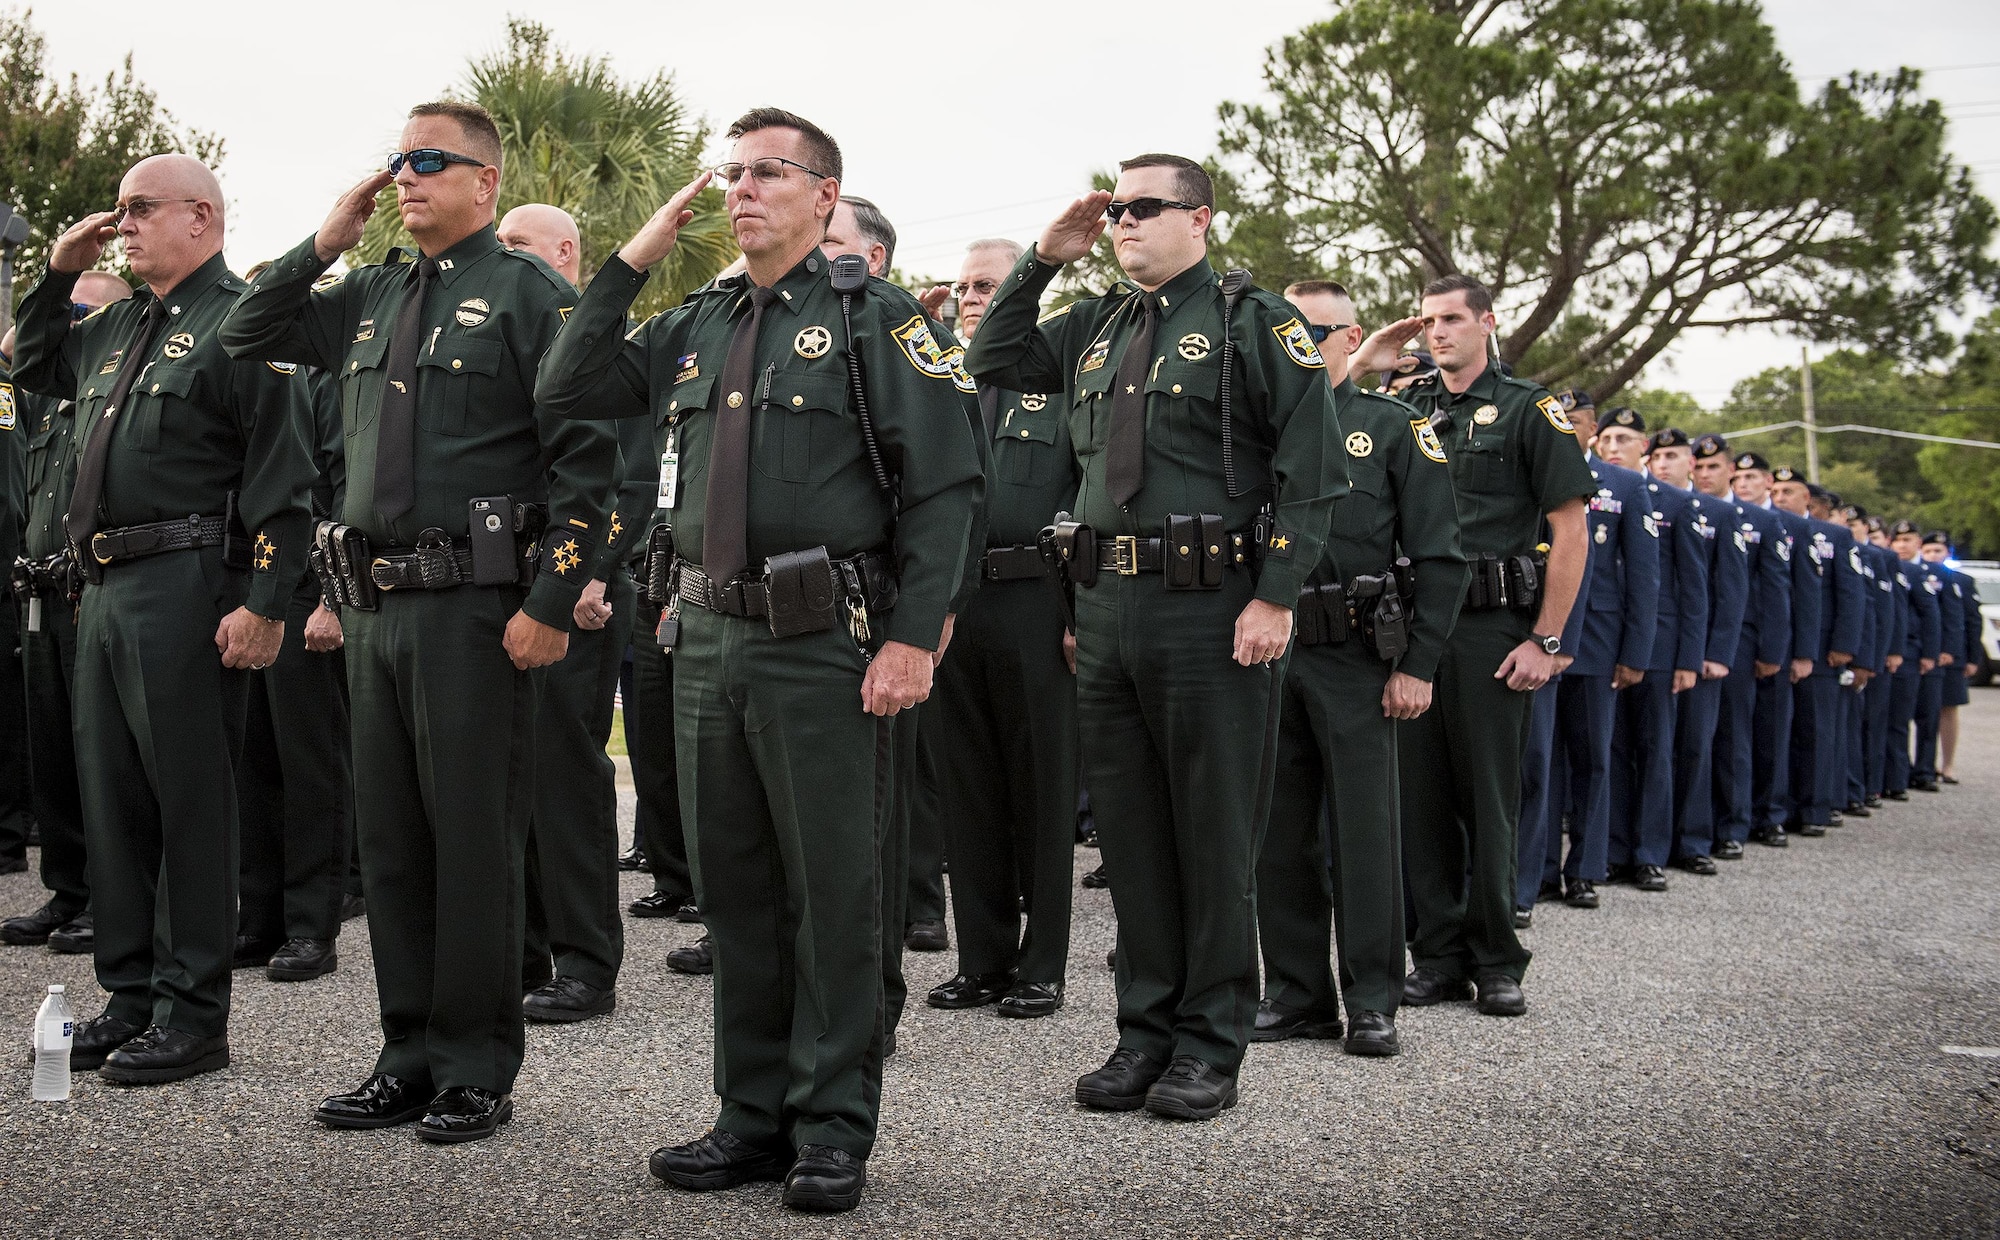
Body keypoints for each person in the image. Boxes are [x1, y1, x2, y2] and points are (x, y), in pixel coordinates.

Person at [536, 108, 981, 1212]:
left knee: (831, 895)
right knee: (732, 894)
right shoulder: (693, 321)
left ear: (824, 196)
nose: (740, 189)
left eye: (767, 173)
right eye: (728, 173)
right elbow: (564, 385)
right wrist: (634, 256)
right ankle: (749, 1116)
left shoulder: (872, 316)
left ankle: (832, 1125)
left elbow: (944, 488)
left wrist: (914, 638)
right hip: (704, 639)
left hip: (823, 643)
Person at [221, 101, 619, 1142]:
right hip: (377, 607)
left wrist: (548, 601)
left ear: (484, 181)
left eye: (429, 162)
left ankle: (475, 1064)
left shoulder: (529, 293)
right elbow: (243, 330)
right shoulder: (369, 291)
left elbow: (592, 463)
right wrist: (325, 239)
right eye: (397, 161)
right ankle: (405, 1053)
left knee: (473, 841)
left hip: (479, 610)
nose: (406, 177)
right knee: (393, 843)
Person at [968, 154, 1345, 1113]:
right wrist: (1046, 259)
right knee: (1132, 837)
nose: (1125, 221)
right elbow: (989, 357)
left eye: (1145, 207)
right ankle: (1145, 1032)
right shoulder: (1094, 324)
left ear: (1201, 220)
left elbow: (1312, 467)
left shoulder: (1252, 322)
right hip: (1107, 606)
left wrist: (1279, 595)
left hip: (1213, 608)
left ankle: (1210, 1044)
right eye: (1116, 208)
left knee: (1213, 834)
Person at [12, 154, 317, 1084]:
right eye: (119, 211)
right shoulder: (115, 327)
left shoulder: (244, 323)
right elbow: (29, 363)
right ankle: (131, 995)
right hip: (101, 588)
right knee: (114, 801)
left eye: (142, 209)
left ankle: (194, 1015)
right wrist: (59, 272)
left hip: (185, 583)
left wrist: (265, 604)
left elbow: (285, 483)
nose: (126, 222)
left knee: (188, 803)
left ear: (202, 217)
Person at [1350, 274, 1592, 1018]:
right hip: (1417, 624)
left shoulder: (1529, 409)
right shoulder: (1404, 407)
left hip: (1493, 625)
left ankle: (1497, 959)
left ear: (1488, 322)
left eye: (1452, 319)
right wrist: (1364, 366)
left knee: (1488, 799)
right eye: (1427, 321)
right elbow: (1329, 420)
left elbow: (1570, 528)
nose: (1437, 333)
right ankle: (1440, 956)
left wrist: (1547, 639)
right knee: (1418, 800)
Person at [1256, 280, 1464, 1056]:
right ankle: (1296, 994)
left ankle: (1373, 999)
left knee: (1367, 833)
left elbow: (1444, 559)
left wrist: (1418, 665)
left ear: (1354, 337)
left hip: (1357, 657)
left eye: (1319, 330)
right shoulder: (1254, 424)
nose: (1303, 343)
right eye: (1290, 330)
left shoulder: (1394, 429)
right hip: (1270, 653)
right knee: (1279, 834)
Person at [496, 202, 644, 1022]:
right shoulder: (506, 332)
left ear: (565, 253)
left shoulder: (603, 349)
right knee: (507, 781)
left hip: (578, 593)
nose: (506, 256)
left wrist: (585, 574)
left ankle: (585, 962)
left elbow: (627, 486)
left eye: (520, 245)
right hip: (501, 592)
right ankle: (522, 950)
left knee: (565, 776)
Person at [927, 238, 1081, 1020]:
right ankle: (981, 959)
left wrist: (1080, 614)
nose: (970, 297)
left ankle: (1042, 964)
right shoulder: (939, 384)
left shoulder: (1055, 382)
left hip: (1035, 600)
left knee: (1044, 789)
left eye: (987, 284)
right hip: (955, 604)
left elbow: (1092, 500)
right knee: (968, 790)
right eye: (962, 286)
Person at [0, 270, 132, 954]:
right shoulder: (50, 397)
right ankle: (68, 887)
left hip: (92, 589)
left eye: (85, 310)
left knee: (97, 756)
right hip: (41, 592)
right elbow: (17, 348)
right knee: (49, 747)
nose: (72, 320)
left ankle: (109, 897)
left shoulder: (110, 392)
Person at [232, 275, 353, 983]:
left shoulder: (322, 375)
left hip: (310, 585)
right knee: (255, 762)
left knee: (311, 766)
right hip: (249, 584)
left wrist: (332, 599)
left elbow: (336, 486)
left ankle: (312, 926)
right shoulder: (244, 371)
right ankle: (262, 916)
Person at [1517, 390, 1656, 923]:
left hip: (1598, 642)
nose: (1563, 427)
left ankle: (1586, 870)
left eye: (1572, 420)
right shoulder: (1533, 473)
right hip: (1543, 637)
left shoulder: (1624, 485)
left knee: (1593, 759)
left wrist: (1635, 652)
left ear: (1591, 427)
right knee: (1538, 762)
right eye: (1556, 419)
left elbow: (1643, 575)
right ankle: (1537, 874)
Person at [1592, 411, 1705, 892]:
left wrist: (1688, 658)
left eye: (1625, 439)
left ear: (1644, 449)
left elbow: (1692, 588)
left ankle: (1649, 852)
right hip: (1602, 642)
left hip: (1657, 644)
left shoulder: (1677, 505)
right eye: (1608, 438)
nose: (1614, 446)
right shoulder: (1593, 488)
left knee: (1654, 748)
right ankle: (1613, 849)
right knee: (1609, 750)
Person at [1648, 428, 1746, 873]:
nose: (1663, 464)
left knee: (1694, 747)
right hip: (1648, 648)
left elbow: (1726, 592)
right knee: (1650, 750)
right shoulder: (1641, 501)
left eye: (1672, 456)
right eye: (1657, 456)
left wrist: (1716, 652)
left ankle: (1691, 841)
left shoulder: (1719, 515)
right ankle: (1644, 844)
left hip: (1697, 651)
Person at [1690, 435, 1789, 860]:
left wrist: (1771, 651)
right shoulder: (1682, 508)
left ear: (1730, 471)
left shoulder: (1759, 522)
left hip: (1738, 641)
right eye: (1701, 467)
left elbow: (1770, 593)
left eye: (1715, 467)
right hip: (1686, 636)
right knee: (1691, 739)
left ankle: (1733, 823)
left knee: (1732, 736)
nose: (1706, 474)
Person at [1729, 454, 1820, 847]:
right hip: (1735, 640)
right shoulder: (1721, 514)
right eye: (1740, 477)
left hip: (1774, 643)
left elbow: (1801, 594)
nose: (1744, 484)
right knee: (1734, 737)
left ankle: (1769, 815)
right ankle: (1735, 813)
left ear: (1764, 481)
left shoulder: (1793, 527)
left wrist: (1798, 652)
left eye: (1752, 477)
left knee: (1771, 734)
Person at [1769, 469, 1864, 835]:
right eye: (1775, 490)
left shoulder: (1835, 536)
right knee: (1779, 730)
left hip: (1822, 648)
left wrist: (1844, 645)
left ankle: (1815, 808)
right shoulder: (1764, 525)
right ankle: (1782, 806)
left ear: (1807, 498)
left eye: (1789, 490)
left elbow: (1851, 594)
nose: (1781, 497)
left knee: (1815, 729)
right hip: (1779, 643)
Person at [1883, 519, 1940, 799]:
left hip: (1909, 653)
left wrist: (1929, 653)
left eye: (1908, 540)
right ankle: (1893, 774)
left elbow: (1930, 615)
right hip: (1887, 652)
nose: (1902, 546)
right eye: (1897, 541)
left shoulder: (1917, 573)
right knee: (1888, 717)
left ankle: (1902, 777)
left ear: (1918, 543)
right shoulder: (1887, 565)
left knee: (1903, 718)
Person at [1920, 530, 1976, 784]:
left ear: (1948, 554)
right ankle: (1923, 765)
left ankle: (1948, 764)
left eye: (1938, 551)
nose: (1932, 556)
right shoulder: (1915, 573)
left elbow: (1970, 621)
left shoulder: (1962, 581)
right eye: (1928, 551)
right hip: (1922, 651)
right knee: (1924, 710)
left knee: (1948, 707)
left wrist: (1971, 658)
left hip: (1951, 654)